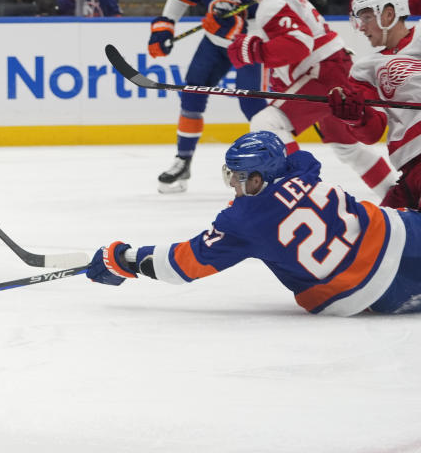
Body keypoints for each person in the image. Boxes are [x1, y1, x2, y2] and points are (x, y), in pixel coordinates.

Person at [86, 130, 421, 316]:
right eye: (232, 175)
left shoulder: (244, 221)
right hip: (400, 232)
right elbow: (303, 159)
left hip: (371, 293)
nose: (234, 185)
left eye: (242, 177)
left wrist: (126, 259)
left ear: (263, 176)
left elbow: (185, 262)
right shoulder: (302, 171)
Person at [226, 0, 396, 197]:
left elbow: (297, 45)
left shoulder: (271, 4)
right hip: (333, 68)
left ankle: (303, 194)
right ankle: (398, 194)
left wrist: (254, 51)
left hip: (322, 73)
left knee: (267, 122)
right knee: (347, 148)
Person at [148, 0, 262, 193]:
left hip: (248, 46)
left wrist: (233, 24)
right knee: (191, 95)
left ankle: (264, 166)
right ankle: (183, 161)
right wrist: (165, 26)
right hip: (213, 44)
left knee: (252, 106)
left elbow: (265, 16)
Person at [329, 0, 421, 209]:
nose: (361, 27)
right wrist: (355, 117)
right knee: (380, 237)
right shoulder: (364, 69)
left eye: (367, 17)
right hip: (410, 172)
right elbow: (372, 133)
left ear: (388, 14)